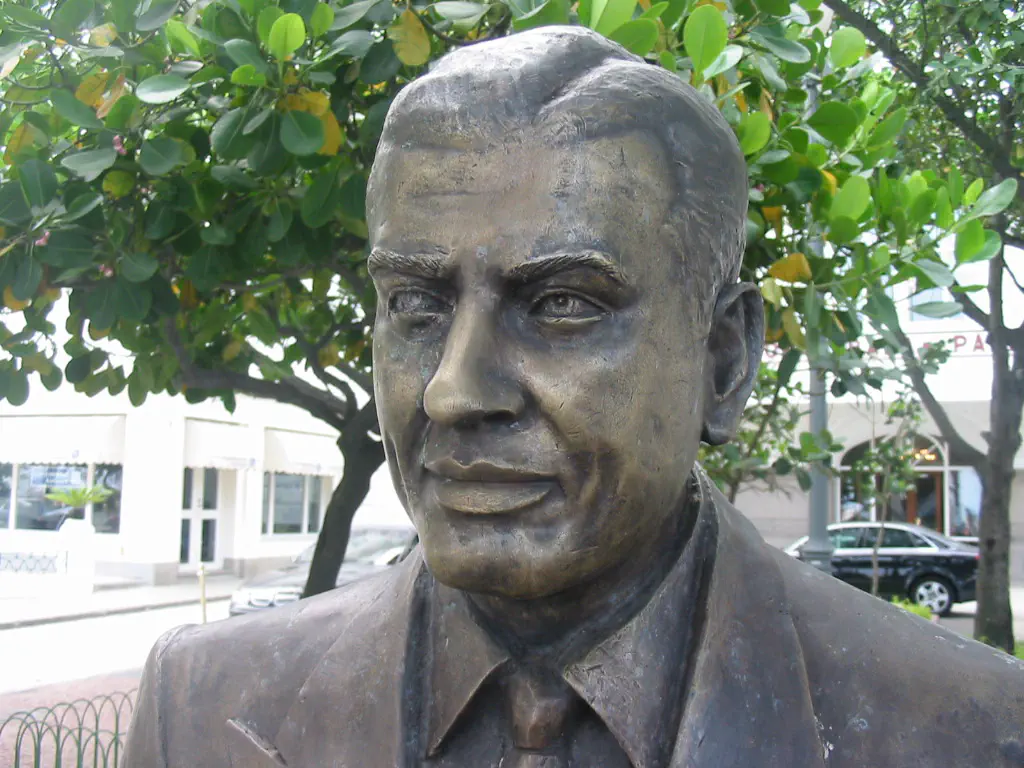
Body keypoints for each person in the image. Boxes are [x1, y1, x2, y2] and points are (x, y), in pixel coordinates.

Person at [123, 27, 1024, 768]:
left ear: (722, 360)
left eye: (563, 304)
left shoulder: (974, 728)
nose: (453, 392)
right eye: (416, 305)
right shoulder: (196, 709)